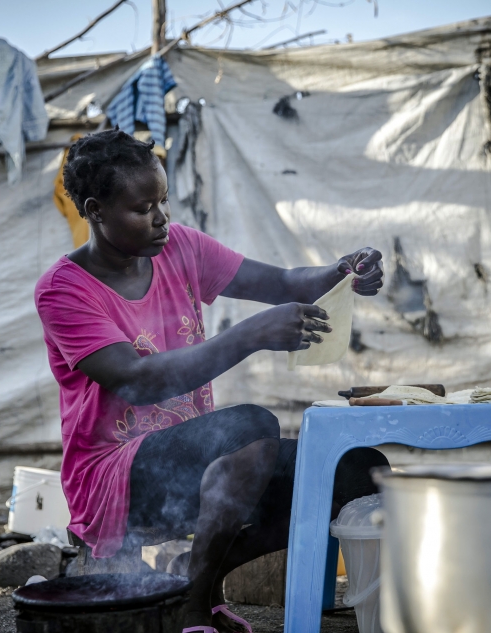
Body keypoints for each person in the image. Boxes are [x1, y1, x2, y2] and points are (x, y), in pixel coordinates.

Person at [34, 129, 389, 633]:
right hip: (115, 478)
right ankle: (195, 606)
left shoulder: (180, 248)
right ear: (95, 211)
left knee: (356, 469)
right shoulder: (64, 289)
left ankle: (196, 575)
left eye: (163, 201)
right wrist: (250, 336)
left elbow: (283, 282)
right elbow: (135, 381)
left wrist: (342, 270)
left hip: (206, 466)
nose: (161, 218)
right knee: (251, 425)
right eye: (143, 208)